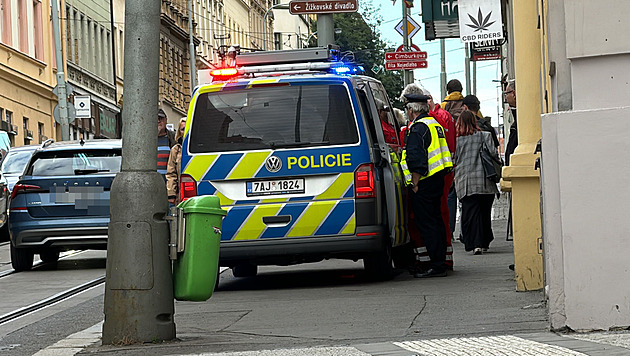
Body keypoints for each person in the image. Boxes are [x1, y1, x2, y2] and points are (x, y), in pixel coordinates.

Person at [400, 92, 453, 278]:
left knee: (427, 224)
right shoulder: (434, 124)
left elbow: (416, 158)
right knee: (436, 221)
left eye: (407, 109)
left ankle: (436, 265)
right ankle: (440, 262)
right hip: (437, 179)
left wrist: (414, 183)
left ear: (411, 109)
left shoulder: (417, 128)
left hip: (423, 181)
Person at [453, 111, 500, 255]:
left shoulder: (456, 141)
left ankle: (476, 244)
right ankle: (485, 242)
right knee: (485, 213)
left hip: (465, 182)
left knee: (471, 214)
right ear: (474, 121)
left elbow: (453, 160)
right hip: (485, 181)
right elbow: (493, 154)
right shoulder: (485, 136)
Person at [166, 117, 186, 205]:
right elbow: (171, 174)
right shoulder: (175, 150)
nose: (185, 131)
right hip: (180, 196)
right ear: (179, 132)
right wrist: (171, 194)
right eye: (183, 129)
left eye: (187, 128)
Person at [157, 108, 176, 176]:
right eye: (156, 118)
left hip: (168, 180)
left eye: (161, 119)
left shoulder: (173, 138)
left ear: (166, 120)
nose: (158, 121)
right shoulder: (146, 139)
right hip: (151, 180)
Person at [503, 80, 517, 166]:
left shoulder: (520, 119)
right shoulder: (517, 117)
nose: (506, 98)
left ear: (514, 94)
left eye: (506, 94)